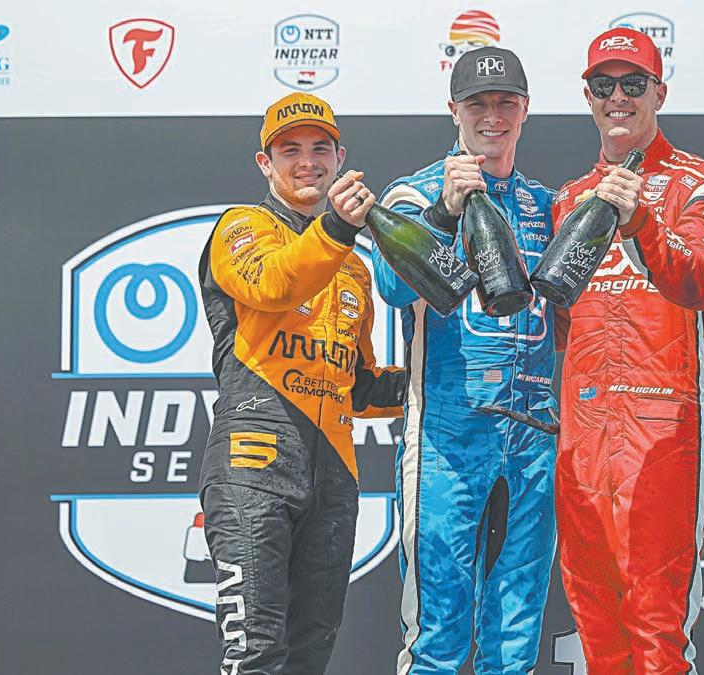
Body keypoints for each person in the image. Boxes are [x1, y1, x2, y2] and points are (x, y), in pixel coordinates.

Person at [552, 27, 704, 674]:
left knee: (658, 634)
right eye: (603, 84)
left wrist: (640, 222)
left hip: (663, 431)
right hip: (583, 434)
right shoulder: (568, 200)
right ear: (586, 96)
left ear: (658, 93)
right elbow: (562, 324)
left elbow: (701, 281)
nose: (618, 97)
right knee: (597, 633)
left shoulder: (703, 184)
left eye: (632, 83)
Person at [197, 92, 406, 674]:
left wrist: (432, 381)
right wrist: (338, 226)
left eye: (320, 148)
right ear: (265, 164)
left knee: (310, 658)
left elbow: (357, 385)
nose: (307, 161)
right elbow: (274, 284)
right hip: (253, 461)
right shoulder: (242, 228)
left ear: (341, 158)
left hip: (334, 476)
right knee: (255, 653)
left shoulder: (354, 266)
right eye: (290, 151)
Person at [372, 47, 558, 674]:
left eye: (506, 103)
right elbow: (391, 288)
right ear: (453, 110)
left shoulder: (544, 203)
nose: (492, 116)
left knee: (515, 641)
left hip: (533, 443)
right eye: (478, 104)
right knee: (438, 637)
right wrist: (444, 214)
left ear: (525, 110)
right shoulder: (415, 194)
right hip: (448, 444)